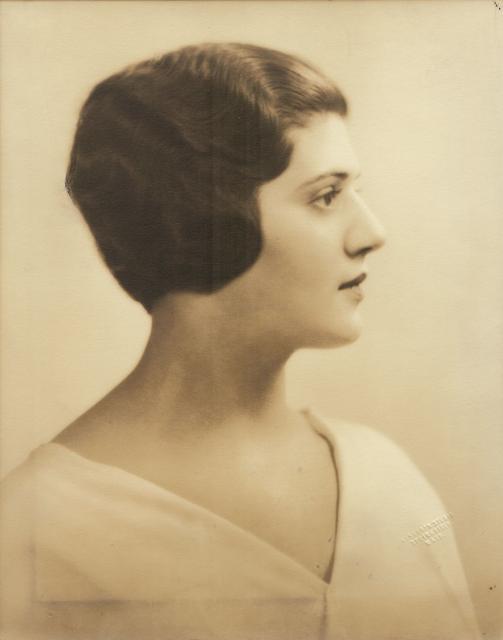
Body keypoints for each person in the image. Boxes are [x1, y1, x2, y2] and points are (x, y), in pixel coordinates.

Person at [0, 43, 481, 640]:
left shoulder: (387, 478)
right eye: (326, 196)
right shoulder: (31, 533)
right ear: (206, 222)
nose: (371, 233)